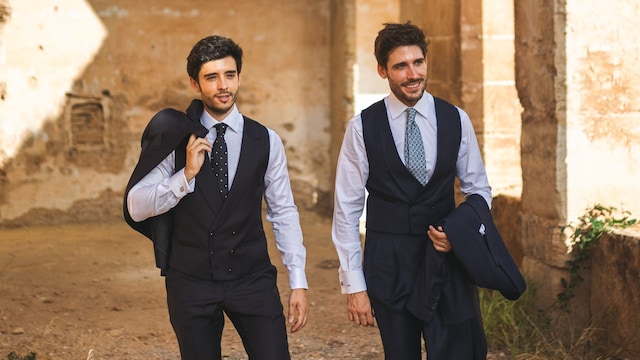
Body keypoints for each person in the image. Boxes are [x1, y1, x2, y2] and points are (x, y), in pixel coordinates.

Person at [123, 35, 308, 360]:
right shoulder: (175, 136)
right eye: (212, 77)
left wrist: (299, 281)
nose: (223, 85)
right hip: (191, 283)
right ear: (195, 83)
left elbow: (283, 212)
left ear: (238, 76)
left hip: (252, 279)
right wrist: (185, 177)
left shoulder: (266, 140)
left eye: (230, 75)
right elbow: (135, 206)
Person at [331, 22, 493, 359]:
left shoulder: (456, 119)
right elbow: (346, 209)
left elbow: (478, 191)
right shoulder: (361, 127)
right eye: (400, 66)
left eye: (418, 62)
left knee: (459, 352)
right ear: (382, 71)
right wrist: (354, 285)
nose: (412, 74)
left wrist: (461, 236)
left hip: (447, 259)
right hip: (388, 264)